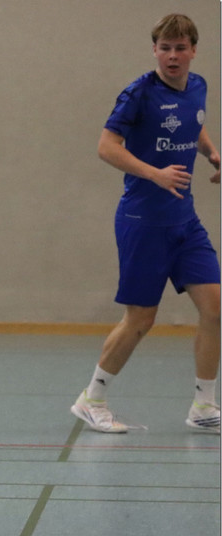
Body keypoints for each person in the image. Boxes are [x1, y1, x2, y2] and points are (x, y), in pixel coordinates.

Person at [70, 13, 221, 434]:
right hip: (143, 221)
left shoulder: (197, 86)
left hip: (185, 221)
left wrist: (212, 153)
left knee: (215, 308)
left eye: (180, 48)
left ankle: (204, 405)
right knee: (141, 319)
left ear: (193, 51)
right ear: (155, 50)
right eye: (165, 48)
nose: (172, 56)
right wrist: (155, 174)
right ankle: (91, 399)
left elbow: (194, 123)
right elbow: (106, 146)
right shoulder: (138, 93)